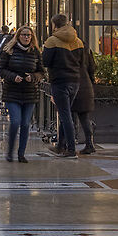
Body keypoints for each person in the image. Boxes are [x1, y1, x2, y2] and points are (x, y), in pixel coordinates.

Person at [0, 26, 43, 162]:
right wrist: (13, 77)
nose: (26, 37)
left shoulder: (35, 52)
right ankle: (10, 150)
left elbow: (41, 71)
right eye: (24, 35)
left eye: (29, 35)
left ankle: (21, 153)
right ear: (18, 36)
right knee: (16, 121)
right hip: (12, 92)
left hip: (30, 93)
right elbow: (1, 69)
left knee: (25, 124)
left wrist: (33, 77)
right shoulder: (9, 51)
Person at [42, 16, 86, 155]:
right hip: (75, 81)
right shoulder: (78, 41)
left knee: (65, 115)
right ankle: (61, 145)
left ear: (55, 25)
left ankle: (71, 149)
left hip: (60, 81)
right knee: (66, 114)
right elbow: (82, 62)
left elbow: (46, 61)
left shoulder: (52, 41)